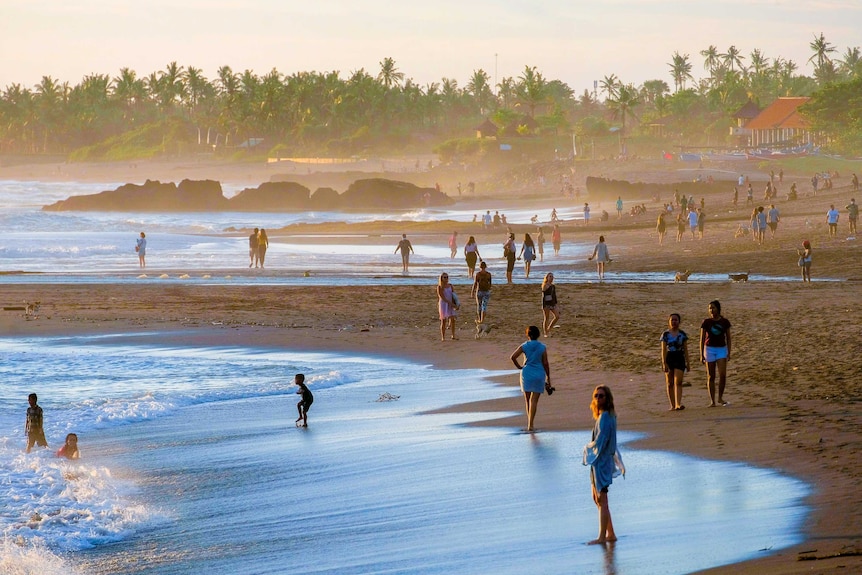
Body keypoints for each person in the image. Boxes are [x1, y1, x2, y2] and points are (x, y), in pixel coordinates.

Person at [582, 385, 624, 545]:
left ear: (607, 399)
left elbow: (601, 442)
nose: (598, 399)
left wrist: (586, 450)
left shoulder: (606, 417)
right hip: (597, 462)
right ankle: (610, 533)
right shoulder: (603, 417)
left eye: (601, 396)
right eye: (596, 396)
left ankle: (601, 536)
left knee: (602, 498)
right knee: (597, 498)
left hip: (602, 461)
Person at [509, 325, 551, 432]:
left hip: (526, 373)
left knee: (527, 400)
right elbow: (545, 363)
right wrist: (548, 378)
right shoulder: (542, 347)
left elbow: (513, 357)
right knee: (534, 401)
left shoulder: (524, 346)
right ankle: (531, 424)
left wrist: (519, 367)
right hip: (539, 373)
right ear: (538, 335)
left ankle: (530, 424)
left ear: (528, 335)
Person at [700, 300, 732, 407]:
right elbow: (702, 338)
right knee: (711, 376)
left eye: (713, 308)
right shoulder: (706, 322)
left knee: (722, 375)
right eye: (710, 308)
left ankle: (720, 398)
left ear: (718, 308)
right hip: (709, 349)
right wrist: (701, 354)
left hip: (721, 349)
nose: (711, 310)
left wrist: (729, 352)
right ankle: (712, 400)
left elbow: (728, 337)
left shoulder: (724, 322)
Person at [661, 313, 690, 411]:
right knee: (670, 383)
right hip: (669, 357)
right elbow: (663, 350)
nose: (674, 322)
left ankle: (678, 404)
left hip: (679, 357)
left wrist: (688, 363)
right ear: (669, 321)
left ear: (679, 322)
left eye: (676, 320)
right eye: (672, 320)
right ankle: (672, 405)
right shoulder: (665, 334)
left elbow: (686, 350)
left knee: (678, 381)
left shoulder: (682, 334)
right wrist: (664, 363)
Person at [437, 272, 459, 340]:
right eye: (444, 277)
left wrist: (456, 304)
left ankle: (453, 335)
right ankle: (443, 337)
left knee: (452, 320)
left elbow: (453, 295)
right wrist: (450, 303)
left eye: (447, 277)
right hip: (444, 304)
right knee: (443, 321)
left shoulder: (450, 285)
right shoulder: (440, 287)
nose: (446, 279)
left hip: (450, 304)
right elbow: (442, 297)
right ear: (441, 278)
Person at [541, 273, 560, 337]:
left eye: (552, 277)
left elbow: (554, 296)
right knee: (546, 318)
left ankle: (549, 328)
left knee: (557, 316)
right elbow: (544, 293)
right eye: (550, 276)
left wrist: (556, 304)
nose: (551, 278)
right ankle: (545, 332)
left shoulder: (553, 286)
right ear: (547, 278)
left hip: (552, 303)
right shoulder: (545, 285)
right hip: (546, 304)